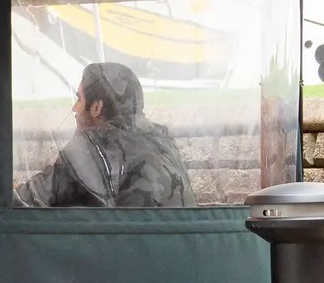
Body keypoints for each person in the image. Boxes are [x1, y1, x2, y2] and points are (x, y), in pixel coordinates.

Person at [13, 61, 191, 209]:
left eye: (79, 99)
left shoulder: (90, 150)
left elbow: (21, 199)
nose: (74, 108)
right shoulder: (165, 142)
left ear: (96, 107)